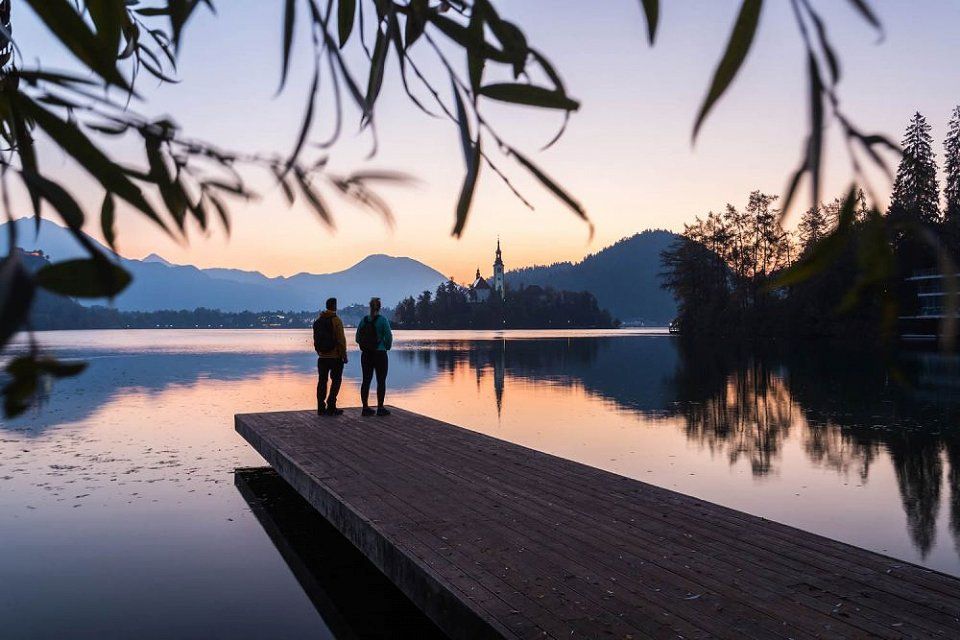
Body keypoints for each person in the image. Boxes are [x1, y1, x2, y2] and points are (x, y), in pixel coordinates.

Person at [355, 297, 393, 416]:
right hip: (380, 354)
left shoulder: (364, 320)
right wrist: (386, 347)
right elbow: (389, 337)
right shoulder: (383, 320)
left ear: (370, 307)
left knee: (366, 380)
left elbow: (357, 338)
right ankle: (380, 408)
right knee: (381, 381)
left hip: (366, 354)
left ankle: (365, 408)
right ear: (379, 307)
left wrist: (366, 345)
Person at [313, 297, 347, 416]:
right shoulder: (336, 320)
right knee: (336, 380)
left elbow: (315, 339)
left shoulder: (318, 320)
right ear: (334, 306)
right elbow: (341, 340)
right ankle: (331, 405)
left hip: (322, 357)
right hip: (335, 357)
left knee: (322, 381)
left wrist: (319, 351)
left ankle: (320, 407)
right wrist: (344, 355)